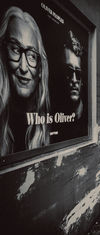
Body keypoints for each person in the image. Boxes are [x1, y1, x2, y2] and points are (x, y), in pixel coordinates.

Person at [0, 6, 50, 156]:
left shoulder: (43, 127)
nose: (23, 67)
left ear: (40, 70)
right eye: (15, 49)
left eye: (32, 55)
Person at [52, 29, 87, 142]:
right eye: (69, 71)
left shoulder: (89, 117)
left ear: (83, 80)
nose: (74, 80)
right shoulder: (54, 116)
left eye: (78, 73)